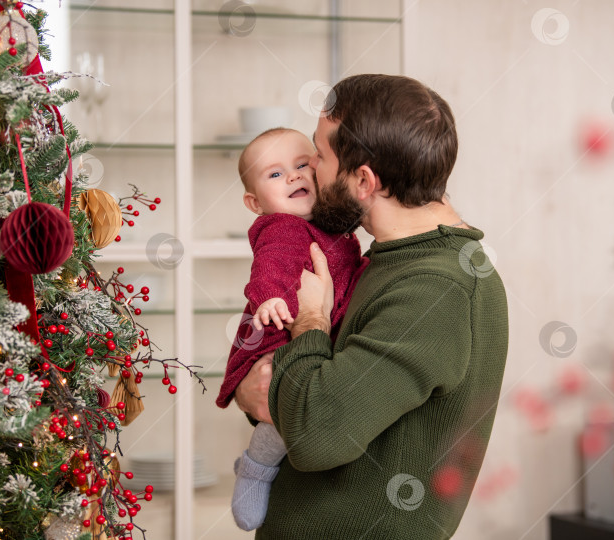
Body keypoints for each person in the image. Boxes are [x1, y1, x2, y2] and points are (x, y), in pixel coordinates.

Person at [234, 74, 509, 539]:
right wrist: (250, 389)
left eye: (319, 155)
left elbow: (316, 434)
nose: (308, 172)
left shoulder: (435, 290)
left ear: (364, 180)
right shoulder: (383, 259)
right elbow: (309, 386)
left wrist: (311, 321)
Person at [216, 127, 367, 531]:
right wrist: (269, 296)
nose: (295, 176)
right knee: (285, 412)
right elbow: (271, 265)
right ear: (254, 202)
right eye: (276, 174)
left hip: (308, 332)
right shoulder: (281, 227)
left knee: (299, 407)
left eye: (303, 165)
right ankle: (255, 467)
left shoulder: (329, 227)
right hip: (276, 333)